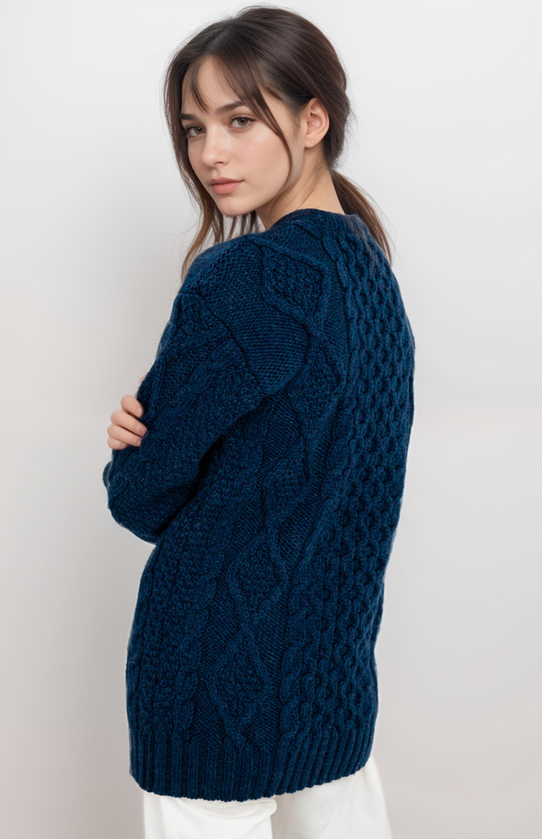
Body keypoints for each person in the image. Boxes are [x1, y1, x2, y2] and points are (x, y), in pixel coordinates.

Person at [102, 6, 414, 838]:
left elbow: (140, 497)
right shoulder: (372, 273)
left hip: (211, 681)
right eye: (195, 127)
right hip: (332, 677)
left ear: (314, 119)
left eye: (241, 119)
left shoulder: (240, 279)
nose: (211, 153)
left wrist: (126, 447)